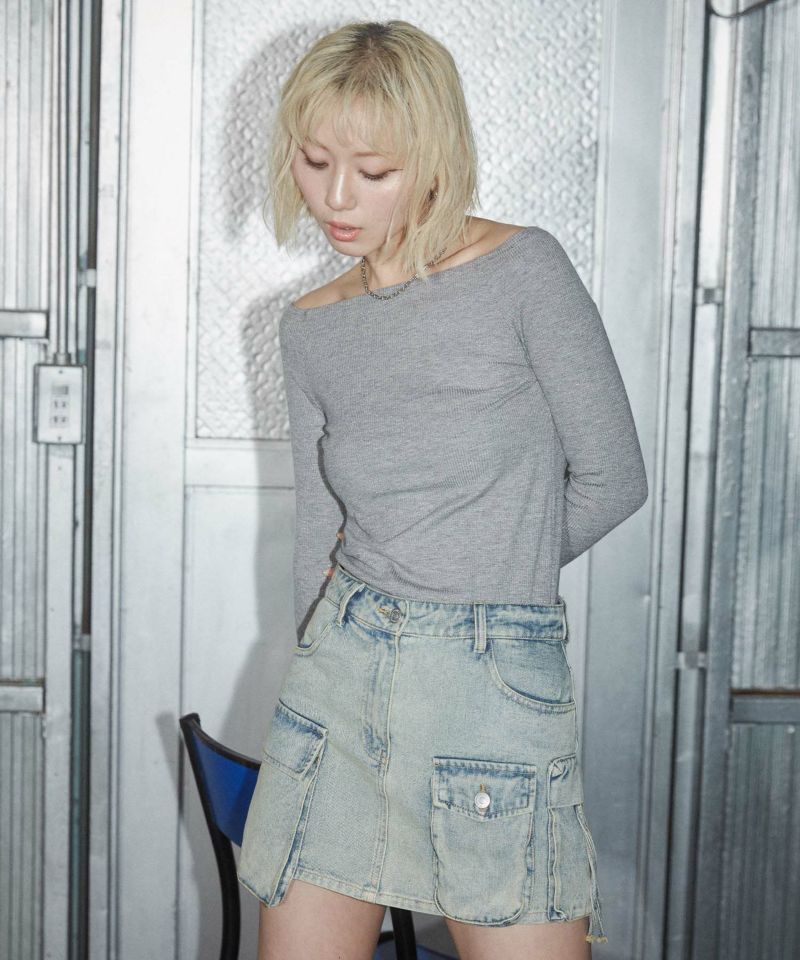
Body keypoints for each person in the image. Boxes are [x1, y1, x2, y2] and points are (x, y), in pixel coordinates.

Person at [237, 19, 648, 960]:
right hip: (341, 677)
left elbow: (614, 477)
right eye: (314, 161)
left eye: (373, 171)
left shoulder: (523, 271)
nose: (337, 197)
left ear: (433, 158)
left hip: (490, 684)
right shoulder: (310, 327)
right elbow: (319, 535)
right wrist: (335, 631)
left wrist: (478, 572)